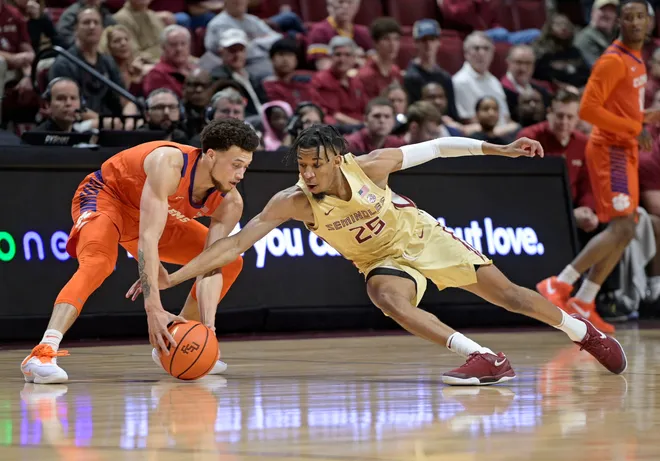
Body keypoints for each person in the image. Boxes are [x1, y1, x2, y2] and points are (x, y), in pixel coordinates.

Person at [152, 125, 628, 386]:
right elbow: (233, 244)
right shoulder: (292, 201)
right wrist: (173, 281)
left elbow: (439, 147)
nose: (308, 173)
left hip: (424, 238)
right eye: (301, 166)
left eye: (315, 165)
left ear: (338, 159)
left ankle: (583, 332)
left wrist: (499, 149)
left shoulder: (373, 166)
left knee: (511, 297)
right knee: (385, 295)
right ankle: (484, 357)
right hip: (383, 261)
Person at [20, 118, 260, 384]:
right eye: (236, 165)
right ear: (211, 155)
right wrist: (153, 308)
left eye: (246, 167)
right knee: (99, 263)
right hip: (107, 196)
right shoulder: (169, 164)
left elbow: (211, 263)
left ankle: (172, 341)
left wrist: (208, 329)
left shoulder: (230, 201)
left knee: (230, 260)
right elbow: (148, 238)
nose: (241, 174)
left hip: (150, 216)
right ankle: (42, 353)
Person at [537, 0, 660, 333]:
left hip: (625, 148)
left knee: (630, 225)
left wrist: (645, 119)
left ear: (650, 21)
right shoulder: (613, 60)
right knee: (622, 227)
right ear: (619, 20)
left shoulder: (638, 60)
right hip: (611, 151)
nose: (635, 23)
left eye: (641, 17)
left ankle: (585, 300)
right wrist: (634, 128)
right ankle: (559, 285)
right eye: (629, 17)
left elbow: (621, 110)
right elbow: (588, 111)